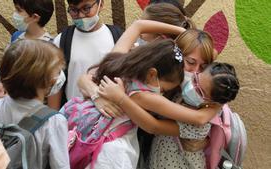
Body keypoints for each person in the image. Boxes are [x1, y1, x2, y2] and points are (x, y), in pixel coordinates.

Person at [61, 20, 186, 169]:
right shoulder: (142, 95)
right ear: (152, 74)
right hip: (111, 152)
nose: (162, 94)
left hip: (82, 138)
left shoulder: (116, 62)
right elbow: (184, 121)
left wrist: (181, 31)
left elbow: (138, 25)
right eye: (164, 89)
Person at [98, 62, 240, 169]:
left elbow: (154, 126)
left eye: (200, 91)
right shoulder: (183, 90)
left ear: (212, 102)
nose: (192, 86)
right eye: (196, 78)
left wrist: (121, 99)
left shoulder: (199, 126)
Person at [0, 40, 69, 169]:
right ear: (45, 81)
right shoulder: (54, 121)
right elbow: (60, 165)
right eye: (56, 71)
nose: (58, 76)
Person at [49, 0, 123, 110]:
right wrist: (54, 120)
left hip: (111, 117)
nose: (81, 15)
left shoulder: (118, 37)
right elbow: (56, 85)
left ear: (100, 4)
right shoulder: (62, 40)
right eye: (74, 10)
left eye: (86, 8)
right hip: (74, 118)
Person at [0, 0, 55, 99]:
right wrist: (1, 86)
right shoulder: (16, 36)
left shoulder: (49, 47)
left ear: (35, 17)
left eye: (19, 10)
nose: (15, 14)